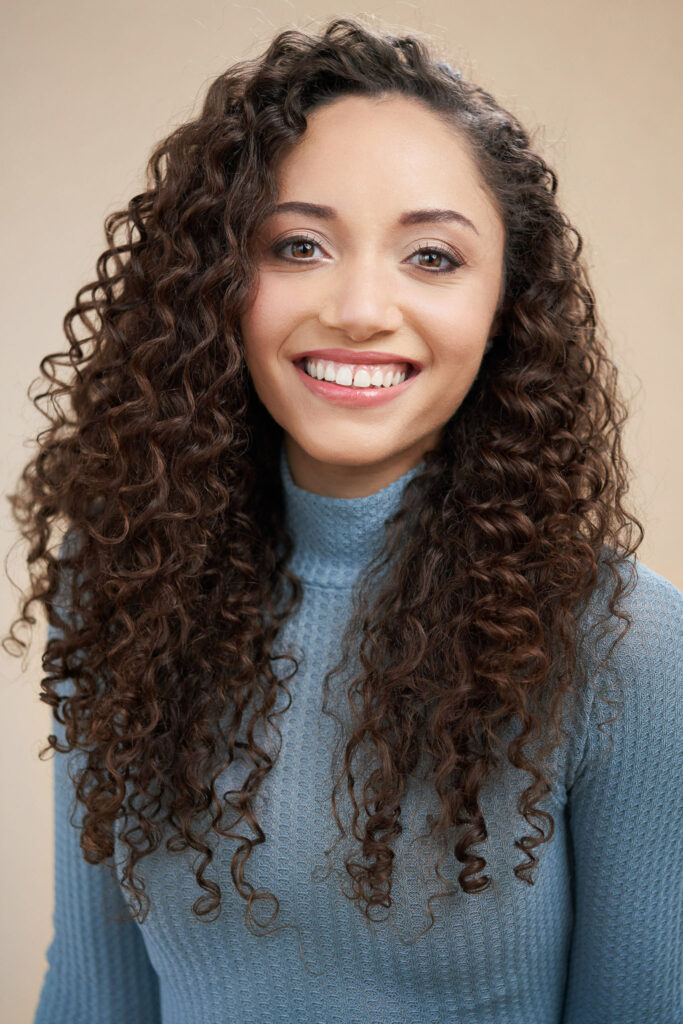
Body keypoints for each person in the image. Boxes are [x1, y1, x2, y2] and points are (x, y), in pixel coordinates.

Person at [7, 15, 681, 1024]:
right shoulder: (115, 585)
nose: (361, 307)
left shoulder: (622, 641)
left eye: (431, 258)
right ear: (217, 287)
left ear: (506, 306)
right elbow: (93, 999)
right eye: (299, 244)